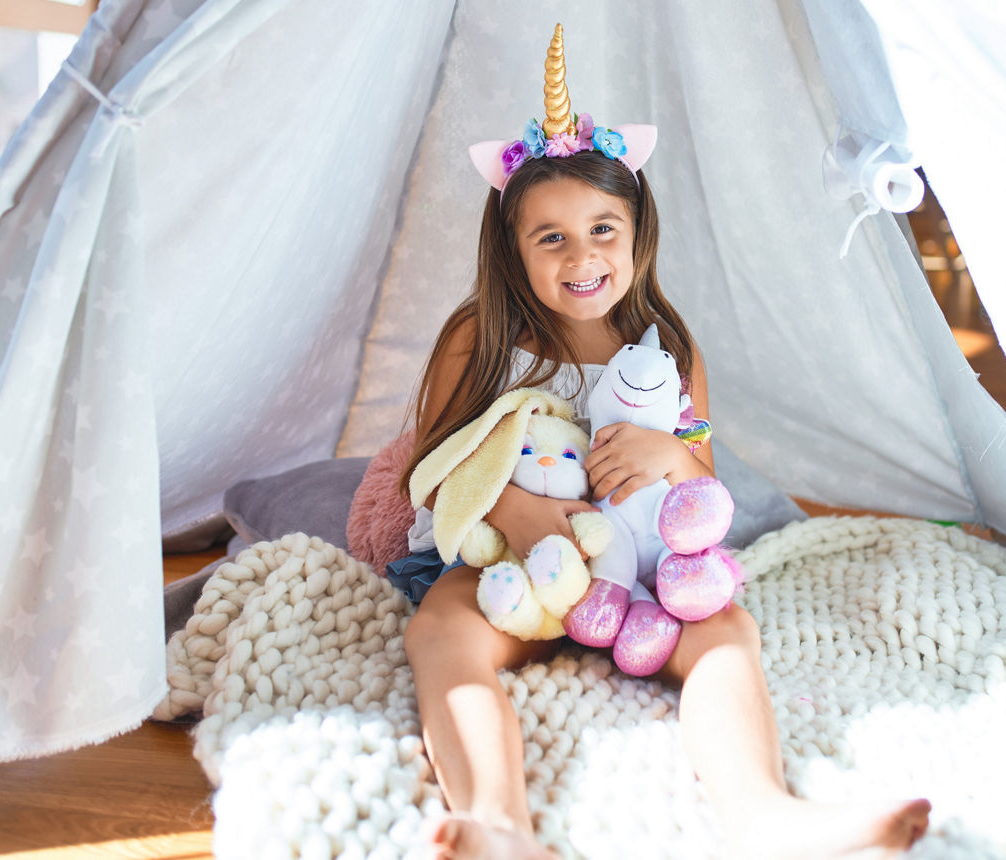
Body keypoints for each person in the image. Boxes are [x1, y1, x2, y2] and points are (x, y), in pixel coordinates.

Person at [394, 25, 932, 859]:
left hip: (636, 574)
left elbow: (701, 488)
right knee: (440, 630)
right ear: (513, 249)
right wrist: (518, 508)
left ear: (639, 233)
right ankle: (498, 821)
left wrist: (672, 458)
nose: (583, 256)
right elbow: (430, 473)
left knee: (725, 632)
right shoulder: (480, 339)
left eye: (604, 229)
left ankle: (764, 816)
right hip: (514, 574)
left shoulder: (669, 354)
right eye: (552, 238)